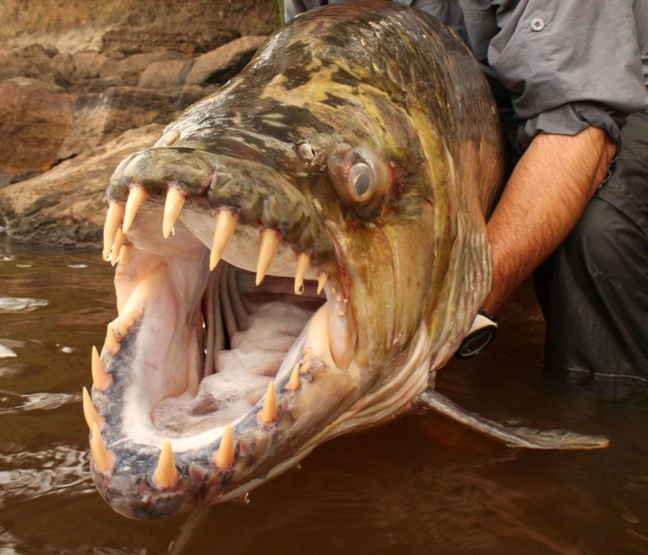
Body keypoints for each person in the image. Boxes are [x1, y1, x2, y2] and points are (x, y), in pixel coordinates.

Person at [284, 0, 648, 380]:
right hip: (449, 112)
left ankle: (607, 410)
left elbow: (579, 128)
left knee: (598, 233)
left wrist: (460, 301)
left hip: (611, 93)